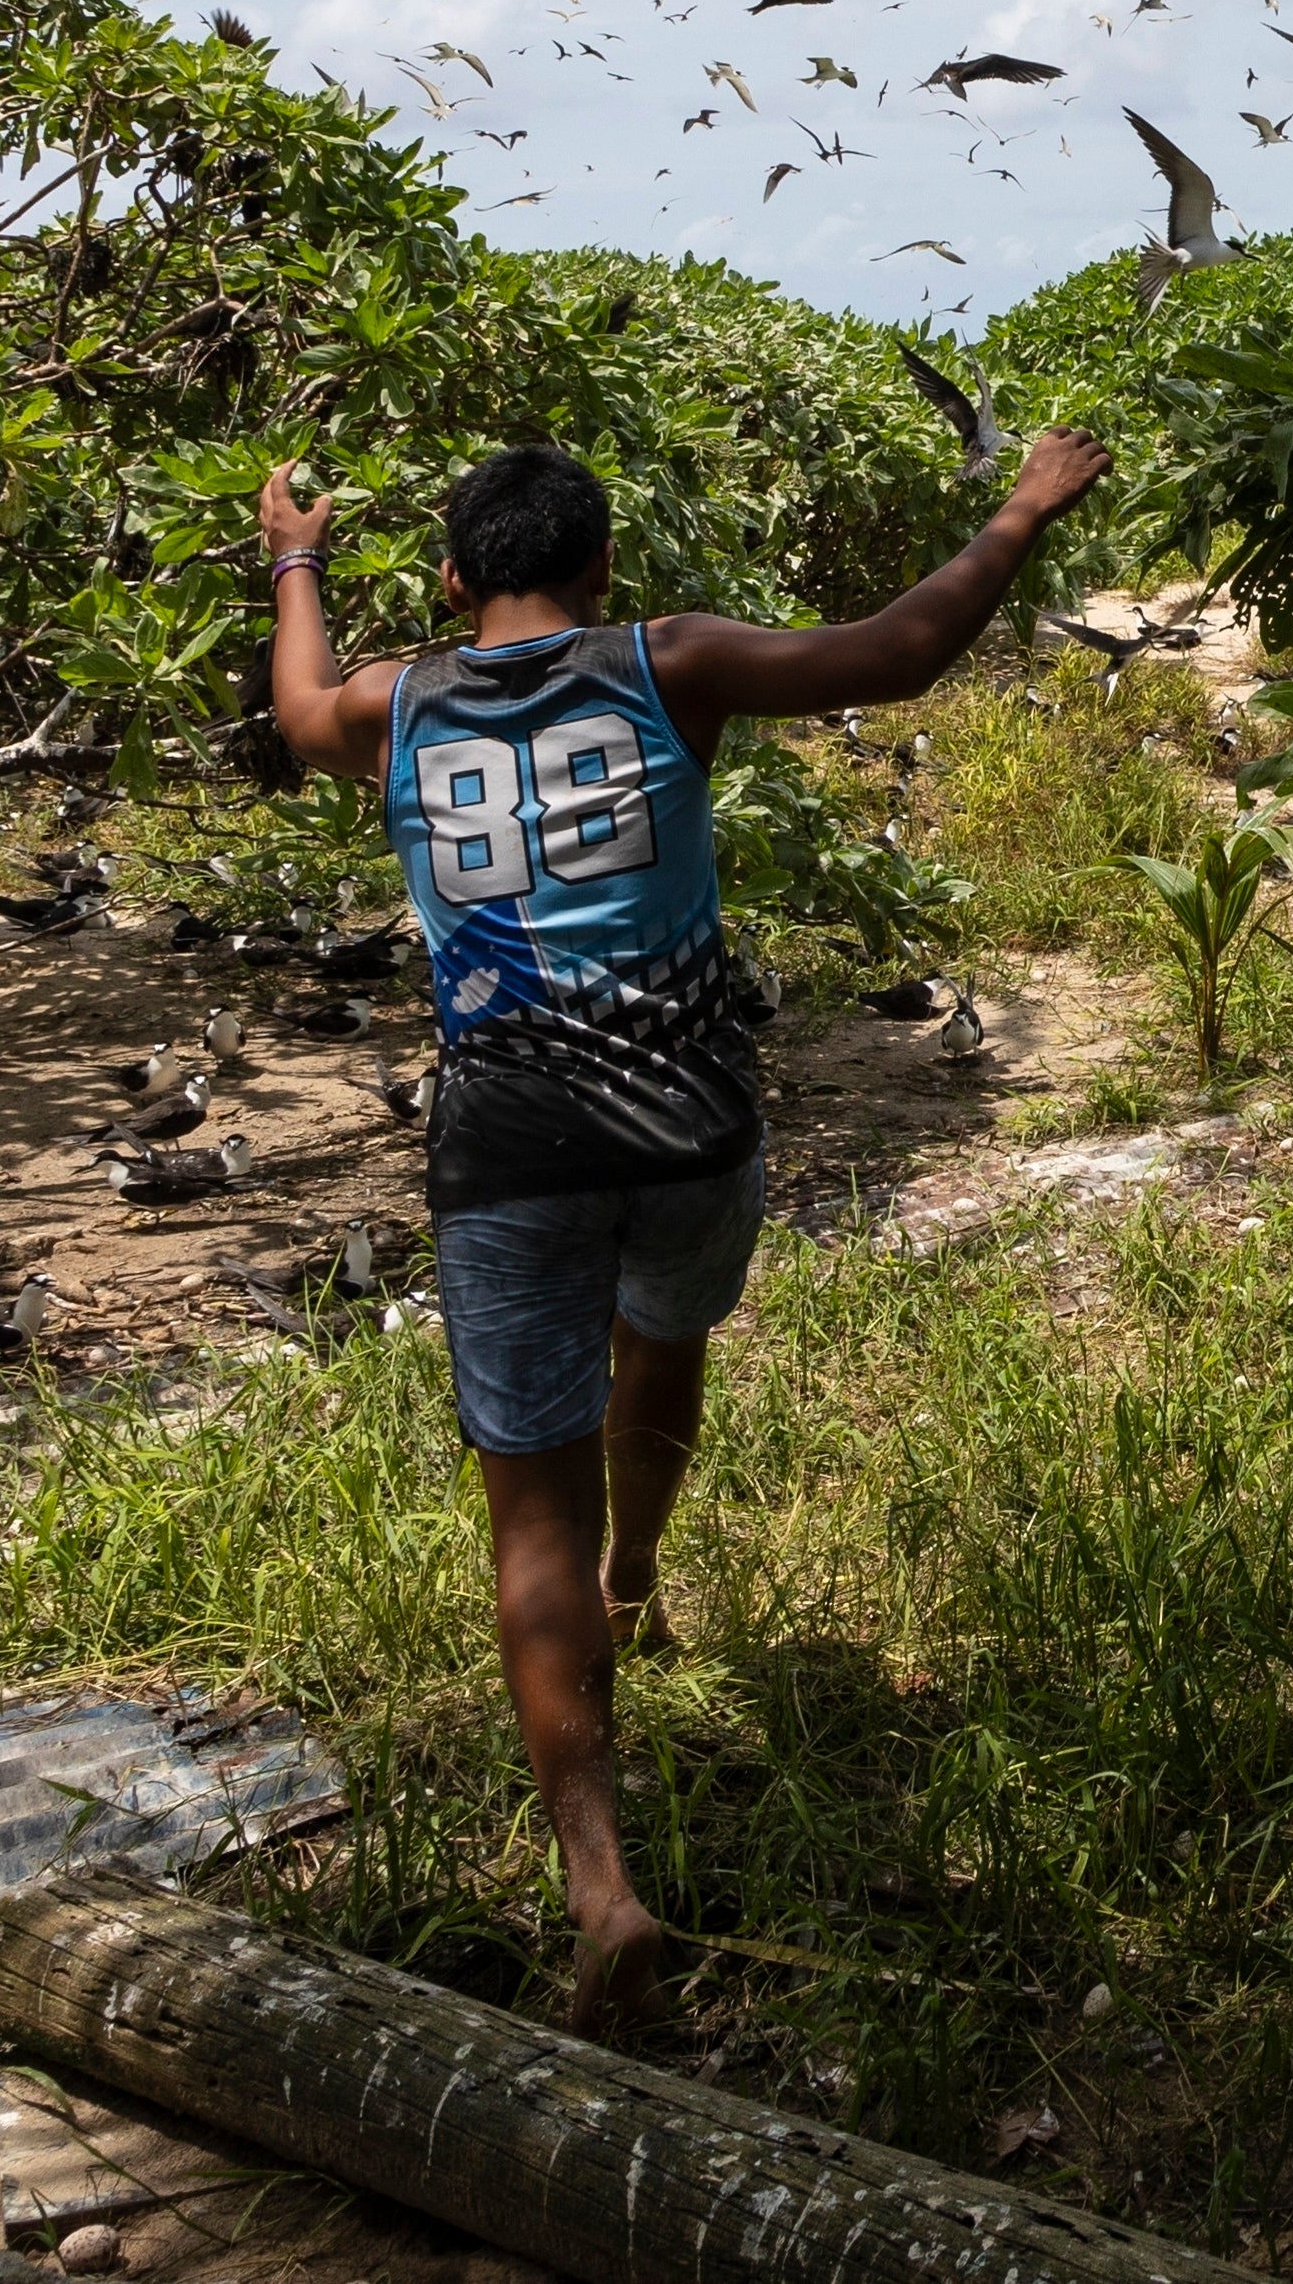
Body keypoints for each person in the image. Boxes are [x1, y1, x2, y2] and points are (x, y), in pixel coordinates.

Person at [258, 426, 1109, 2029]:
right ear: (598, 573)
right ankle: (642, 1570)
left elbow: (301, 715)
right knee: (667, 1333)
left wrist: (293, 553)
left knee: (529, 1517)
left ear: (453, 576)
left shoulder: (398, 698)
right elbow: (902, 653)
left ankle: (599, 1882)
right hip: (690, 1121)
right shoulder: (670, 661)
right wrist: (1020, 509)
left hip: (506, 1146)